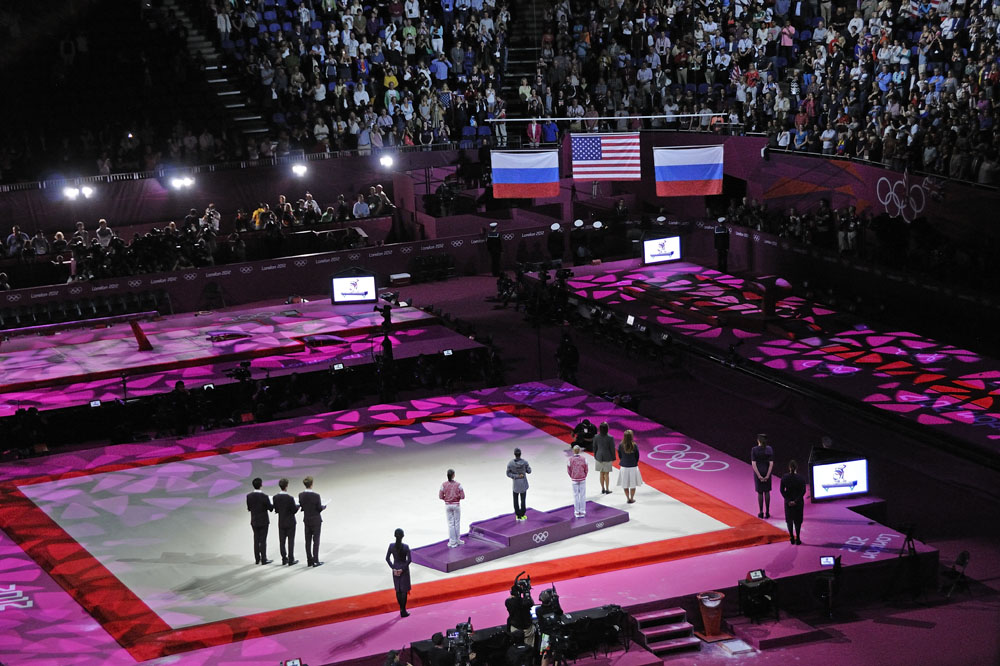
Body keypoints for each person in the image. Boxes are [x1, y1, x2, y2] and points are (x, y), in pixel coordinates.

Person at [299, 476, 326, 566]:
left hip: (307, 520)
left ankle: (309, 560)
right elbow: (318, 508)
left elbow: (302, 506)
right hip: (316, 520)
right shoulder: (316, 496)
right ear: (312, 484)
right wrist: (324, 507)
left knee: (308, 541)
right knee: (316, 541)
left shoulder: (301, 495)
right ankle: (316, 560)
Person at [246, 477, 273, 564]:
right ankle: (264, 559)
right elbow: (270, 508)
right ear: (261, 485)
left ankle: (257, 559)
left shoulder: (249, 496)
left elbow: (249, 508)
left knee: (256, 540)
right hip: (263, 521)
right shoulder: (264, 497)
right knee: (263, 540)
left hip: (254, 520)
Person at [272, 477, 299, 565]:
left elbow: (276, 509)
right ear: (287, 486)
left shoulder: (275, 497)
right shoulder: (290, 498)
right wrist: (298, 506)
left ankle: (284, 559)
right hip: (290, 522)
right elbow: (294, 510)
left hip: (281, 522)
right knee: (291, 541)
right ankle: (291, 559)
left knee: (282, 541)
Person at [386, 527, 412, 617]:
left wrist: (393, 568)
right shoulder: (406, 547)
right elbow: (409, 560)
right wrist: (403, 569)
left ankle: (401, 609)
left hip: (395, 569)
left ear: (394, 535)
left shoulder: (391, 546)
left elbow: (387, 558)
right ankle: (403, 610)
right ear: (403, 536)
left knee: (398, 590)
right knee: (404, 591)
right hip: (404, 570)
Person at [780, 460, 806, 545]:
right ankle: (798, 538)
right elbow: (803, 491)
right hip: (798, 503)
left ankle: (791, 537)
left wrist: (788, 500)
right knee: (798, 521)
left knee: (789, 520)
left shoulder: (784, 477)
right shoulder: (801, 478)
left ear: (789, 467)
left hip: (788, 503)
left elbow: (782, 490)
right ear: (796, 468)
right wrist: (796, 501)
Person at [439, 468, 465, 547]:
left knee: (451, 524)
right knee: (457, 523)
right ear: (453, 475)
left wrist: (446, 499)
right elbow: (463, 496)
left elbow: (440, 496)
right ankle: (457, 540)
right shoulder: (458, 485)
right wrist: (457, 498)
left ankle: (452, 542)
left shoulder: (443, 485)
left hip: (448, 505)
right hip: (456, 505)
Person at [752, 433, 775, 518]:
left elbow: (754, 464)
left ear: (758, 440)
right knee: (767, 491)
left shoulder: (754, 449)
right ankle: (767, 512)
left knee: (760, 492)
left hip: (759, 471)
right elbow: (771, 463)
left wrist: (759, 476)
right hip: (766, 471)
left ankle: (761, 512)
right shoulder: (769, 449)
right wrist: (768, 475)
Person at [616, 430, 643, 503]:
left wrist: (624, 461)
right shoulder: (634, 445)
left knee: (625, 484)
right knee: (632, 484)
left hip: (624, 466)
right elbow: (637, 456)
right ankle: (632, 498)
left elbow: (620, 455)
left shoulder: (621, 445)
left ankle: (628, 498)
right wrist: (633, 462)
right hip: (633, 467)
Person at [506, 448, 531, 521]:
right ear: (520, 454)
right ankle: (523, 515)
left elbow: (508, 473)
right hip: (523, 484)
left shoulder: (510, 463)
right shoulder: (525, 462)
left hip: (516, 485)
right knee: (523, 500)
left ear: (514, 454)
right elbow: (529, 471)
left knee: (515, 500)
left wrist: (516, 476)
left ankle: (518, 515)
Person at [593, 422, 616, 494]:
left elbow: (594, 447)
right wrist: (613, 457)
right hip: (607, 457)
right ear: (607, 429)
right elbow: (612, 448)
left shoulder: (596, 437)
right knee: (606, 474)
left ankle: (602, 488)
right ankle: (607, 489)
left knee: (601, 473)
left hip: (599, 457)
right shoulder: (610, 438)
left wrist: (595, 455)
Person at [567, 445, 589, 517]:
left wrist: (572, 476)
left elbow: (568, 470)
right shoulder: (584, 459)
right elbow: (586, 469)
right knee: (582, 495)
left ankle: (577, 512)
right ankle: (582, 511)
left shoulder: (570, 460)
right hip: (582, 479)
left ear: (573, 451)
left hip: (574, 479)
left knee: (576, 495)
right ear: (579, 451)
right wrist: (584, 475)